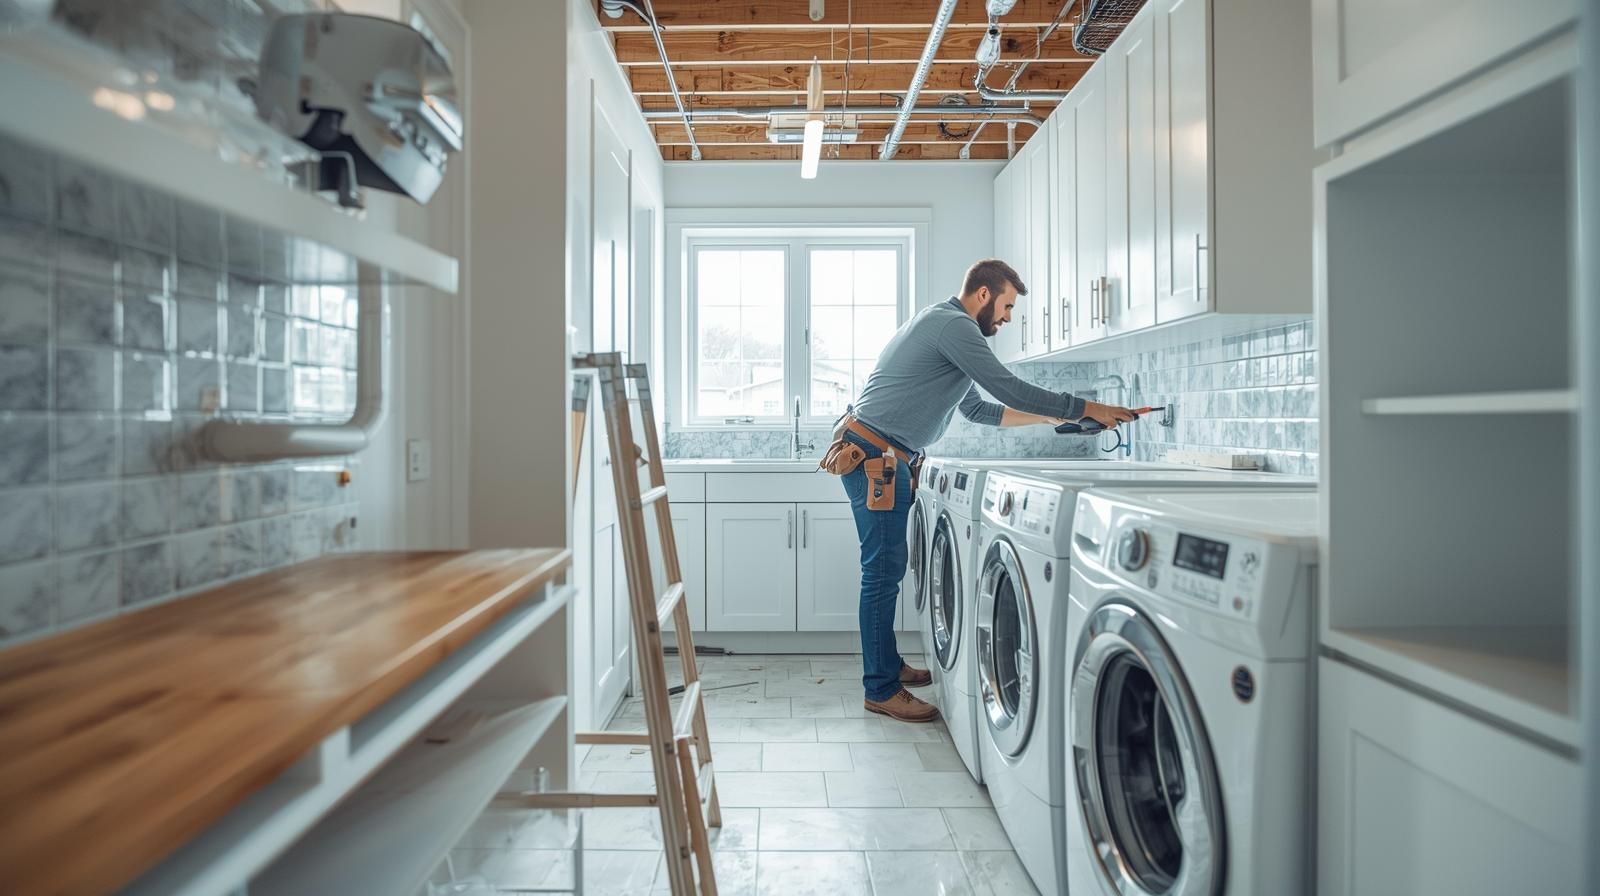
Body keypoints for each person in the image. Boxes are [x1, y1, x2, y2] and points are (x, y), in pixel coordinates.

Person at [830, 258, 1137, 722]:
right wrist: (1090, 405)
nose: (1008, 318)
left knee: (888, 569)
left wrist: (1057, 415)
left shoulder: (945, 328)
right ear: (983, 295)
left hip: (880, 455)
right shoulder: (954, 326)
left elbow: (978, 408)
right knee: (882, 573)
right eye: (1007, 306)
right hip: (875, 458)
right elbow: (1009, 388)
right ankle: (881, 688)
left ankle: (887, 667)